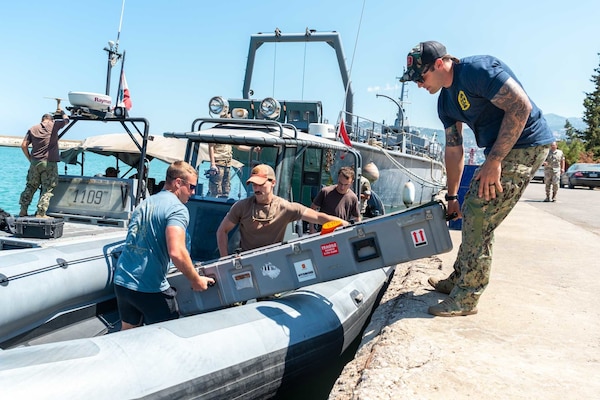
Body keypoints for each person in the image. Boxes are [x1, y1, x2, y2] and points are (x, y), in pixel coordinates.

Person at [400, 41, 554, 317]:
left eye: (420, 78)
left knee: (480, 212)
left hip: (527, 144)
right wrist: (452, 196)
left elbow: (521, 107)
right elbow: (454, 149)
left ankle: (467, 297)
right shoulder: (445, 103)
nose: (419, 85)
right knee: (470, 208)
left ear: (439, 64)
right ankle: (460, 279)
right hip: (501, 151)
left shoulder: (477, 70)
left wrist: (494, 161)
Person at [114, 161, 215, 330]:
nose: (193, 192)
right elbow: (176, 252)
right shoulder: (177, 209)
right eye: (191, 187)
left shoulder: (145, 203)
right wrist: (196, 279)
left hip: (123, 281)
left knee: (127, 332)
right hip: (149, 287)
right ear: (178, 183)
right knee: (168, 335)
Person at [216, 164, 348, 256]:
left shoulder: (286, 207)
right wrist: (224, 258)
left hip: (273, 263)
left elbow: (319, 217)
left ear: (273, 182)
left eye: (261, 184)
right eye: (254, 185)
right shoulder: (241, 206)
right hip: (246, 261)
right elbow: (222, 230)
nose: (256, 188)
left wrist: (346, 225)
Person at [19, 112, 70, 217]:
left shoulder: (33, 128)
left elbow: (24, 145)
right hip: (49, 163)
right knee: (48, 188)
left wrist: (30, 159)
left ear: (42, 119)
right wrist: (63, 113)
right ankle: (41, 213)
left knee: (30, 186)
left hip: (35, 162)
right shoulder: (53, 125)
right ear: (51, 120)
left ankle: (23, 210)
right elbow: (66, 121)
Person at [309, 166, 360, 233]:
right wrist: (311, 228)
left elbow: (357, 218)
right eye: (340, 183)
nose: (342, 187)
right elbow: (312, 210)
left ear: (352, 182)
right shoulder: (325, 191)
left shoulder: (353, 198)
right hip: (324, 232)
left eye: (346, 184)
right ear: (338, 178)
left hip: (341, 233)